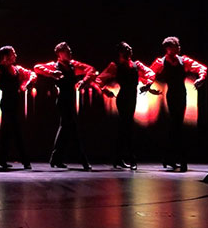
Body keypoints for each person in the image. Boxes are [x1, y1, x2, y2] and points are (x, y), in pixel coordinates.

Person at [96, 42, 159, 170]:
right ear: (120, 52)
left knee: (124, 128)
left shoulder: (136, 65)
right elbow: (99, 79)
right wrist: (105, 90)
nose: (129, 49)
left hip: (132, 97)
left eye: (129, 47)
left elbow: (150, 73)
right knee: (127, 127)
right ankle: (131, 158)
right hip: (123, 97)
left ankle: (118, 158)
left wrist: (147, 85)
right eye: (126, 48)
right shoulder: (115, 66)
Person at [34, 42, 95, 171]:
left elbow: (91, 69)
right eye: (67, 51)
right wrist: (51, 74)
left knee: (64, 130)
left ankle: (55, 159)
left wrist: (84, 81)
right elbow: (37, 67)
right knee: (73, 130)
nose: (70, 53)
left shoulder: (73, 65)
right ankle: (83, 161)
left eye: (70, 51)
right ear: (59, 54)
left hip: (70, 100)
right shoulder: (54, 66)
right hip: (62, 101)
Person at [150, 36, 206, 172]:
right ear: (168, 48)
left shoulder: (184, 60)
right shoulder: (161, 61)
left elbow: (202, 68)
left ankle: (169, 158)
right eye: (176, 45)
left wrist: (201, 78)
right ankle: (180, 159)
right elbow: (150, 74)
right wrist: (149, 87)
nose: (179, 47)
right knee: (176, 125)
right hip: (172, 95)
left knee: (176, 125)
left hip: (181, 93)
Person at [0, 46, 35, 170]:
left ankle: (0, 159)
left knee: (7, 132)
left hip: (16, 102)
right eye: (13, 53)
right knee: (15, 130)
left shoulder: (17, 69)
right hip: (7, 102)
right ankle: (25, 161)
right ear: (6, 56)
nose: (15, 55)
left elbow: (32, 74)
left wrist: (26, 84)